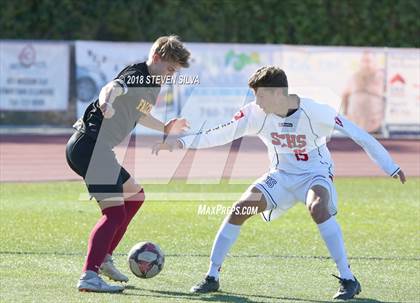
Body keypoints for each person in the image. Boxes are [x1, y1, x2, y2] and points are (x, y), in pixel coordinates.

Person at [153, 66, 406, 300]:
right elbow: (221, 133)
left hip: (315, 173)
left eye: (261, 96)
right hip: (281, 176)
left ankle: (349, 279)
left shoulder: (315, 111)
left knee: (318, 207)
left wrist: (390, 166)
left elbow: (359, 135)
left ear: (277, 94)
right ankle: (212, 276)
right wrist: (182, 142)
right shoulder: (256, 112)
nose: (256, 102)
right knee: (240, 209)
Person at [66, 35, 191, 293]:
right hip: (90, 147)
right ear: (156, 58)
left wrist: (164, 127)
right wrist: (105, 103)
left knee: (135, 196)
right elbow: (111, 87)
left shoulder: (153, 84)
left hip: (94, 149)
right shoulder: (137, 75)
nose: (170, 76)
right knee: (114, 214)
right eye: (169, 69)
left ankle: (103, 259)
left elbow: (141, 113)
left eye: (174, 72)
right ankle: (89, 275)